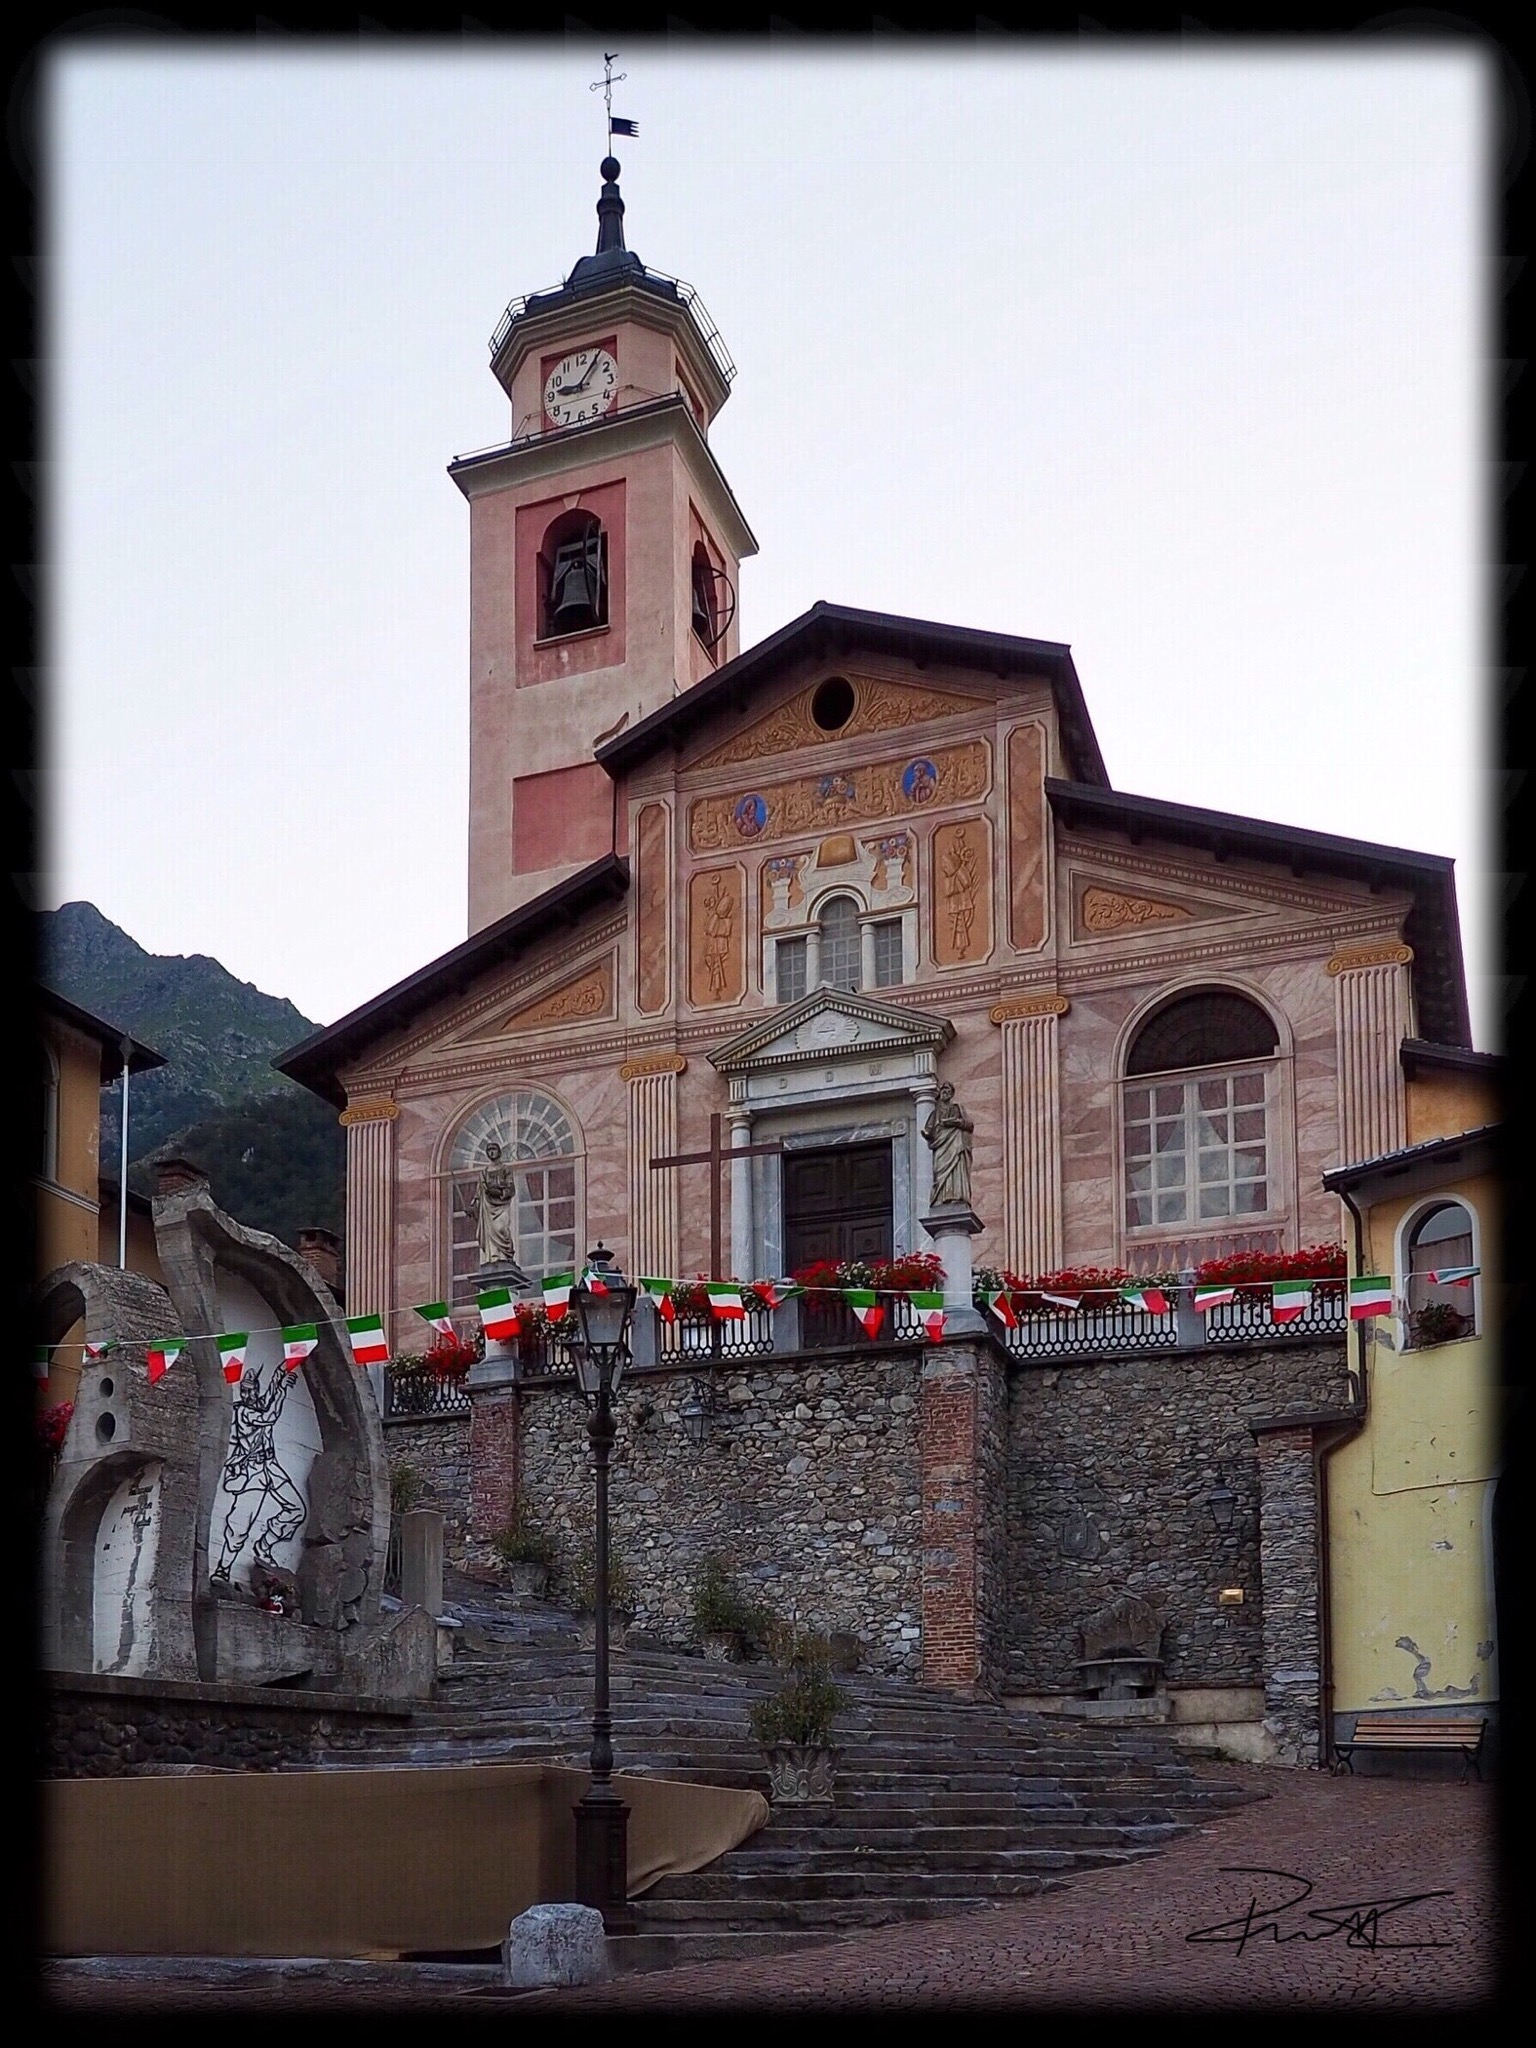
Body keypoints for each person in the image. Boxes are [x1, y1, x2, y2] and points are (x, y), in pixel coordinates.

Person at [923, 1081, 974, 1208]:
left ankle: (955, 1195)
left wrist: (956, 1123)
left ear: (951, 1093)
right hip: (941, 1143)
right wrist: (927, 1134)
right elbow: (929, 1128)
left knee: (955, 1168)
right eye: (943, 1090)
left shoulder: (957, 1107)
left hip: (955, 1142)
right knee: (939, 1169)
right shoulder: (935, 1112)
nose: (945, 1092)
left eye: (948, 1090)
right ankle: (940, 1197)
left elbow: (969, 1125)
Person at [472, 1140, 520, 1267]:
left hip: (501, 1204)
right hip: (488, 1206)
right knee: (489, 1232)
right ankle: (493, 1257)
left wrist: (499, 1192)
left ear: (499, 1152)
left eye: (494, 1149)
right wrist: (474, 1206)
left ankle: (505, 1255)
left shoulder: (505, 1169)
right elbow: (479, 1192)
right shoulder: (484, 1172)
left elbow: (510, 1187)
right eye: (489, 1150)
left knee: (501, 1228)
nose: (492, 1152)